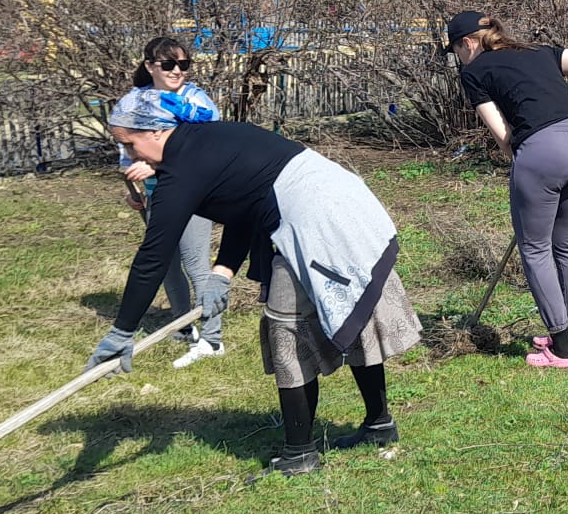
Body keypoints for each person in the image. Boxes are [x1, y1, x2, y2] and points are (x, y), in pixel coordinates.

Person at [85, 93, 421, 475]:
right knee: (351, 315)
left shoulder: (183, 166)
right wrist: (222, 272)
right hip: (342, 197)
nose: (127, 154)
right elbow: (245, 203)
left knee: (287, 327)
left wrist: (122, 330)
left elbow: (153, 256)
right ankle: (378, 425)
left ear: (158, 131)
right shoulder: (205, 141)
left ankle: (299, 453)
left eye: (129, 143)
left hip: (316, 217)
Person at [446, 10, 568, 370]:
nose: (458, 57)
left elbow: (502, 133)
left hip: (541, 152)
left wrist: (520, 161)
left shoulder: (474, 72)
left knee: (534, 248)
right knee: (567, 241)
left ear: (468, 43)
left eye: (456, 50)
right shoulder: (539, 51)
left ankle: (563, 350)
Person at [116, 35, 225, 368]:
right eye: (168, 64)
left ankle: (213, 339)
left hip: (192, 193)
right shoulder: (133, 103)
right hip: (154, 194)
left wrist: (158, 163)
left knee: (196, 264)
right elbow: (126, 151)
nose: (177, 70)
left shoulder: (198, 102)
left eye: (183, 64)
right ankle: (182, 326)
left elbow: (208, 151)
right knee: (166, 263)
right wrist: (133, 189)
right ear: (150, 66)